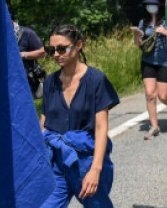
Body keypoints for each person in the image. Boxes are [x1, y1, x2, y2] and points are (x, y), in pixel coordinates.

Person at [40, 24, 120, 208]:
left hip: (86, 160)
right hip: (56, 161)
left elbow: (101, 128)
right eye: (51, 49)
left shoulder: (96, 80)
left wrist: (95, 170)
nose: (56, 54)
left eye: (61, 48)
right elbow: (44, 123)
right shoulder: (50, 82)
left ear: (78, 45)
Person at [132, 0, 167, 139]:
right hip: (147, 61)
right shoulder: (142, 22)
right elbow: (138, 45)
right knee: (150, 94)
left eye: (154, 4)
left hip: (164, 62)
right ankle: (154, 126)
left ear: (159, 6)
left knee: (163, 95)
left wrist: (166, 32)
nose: (151, 7)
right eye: (148, 4)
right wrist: (136, 36)